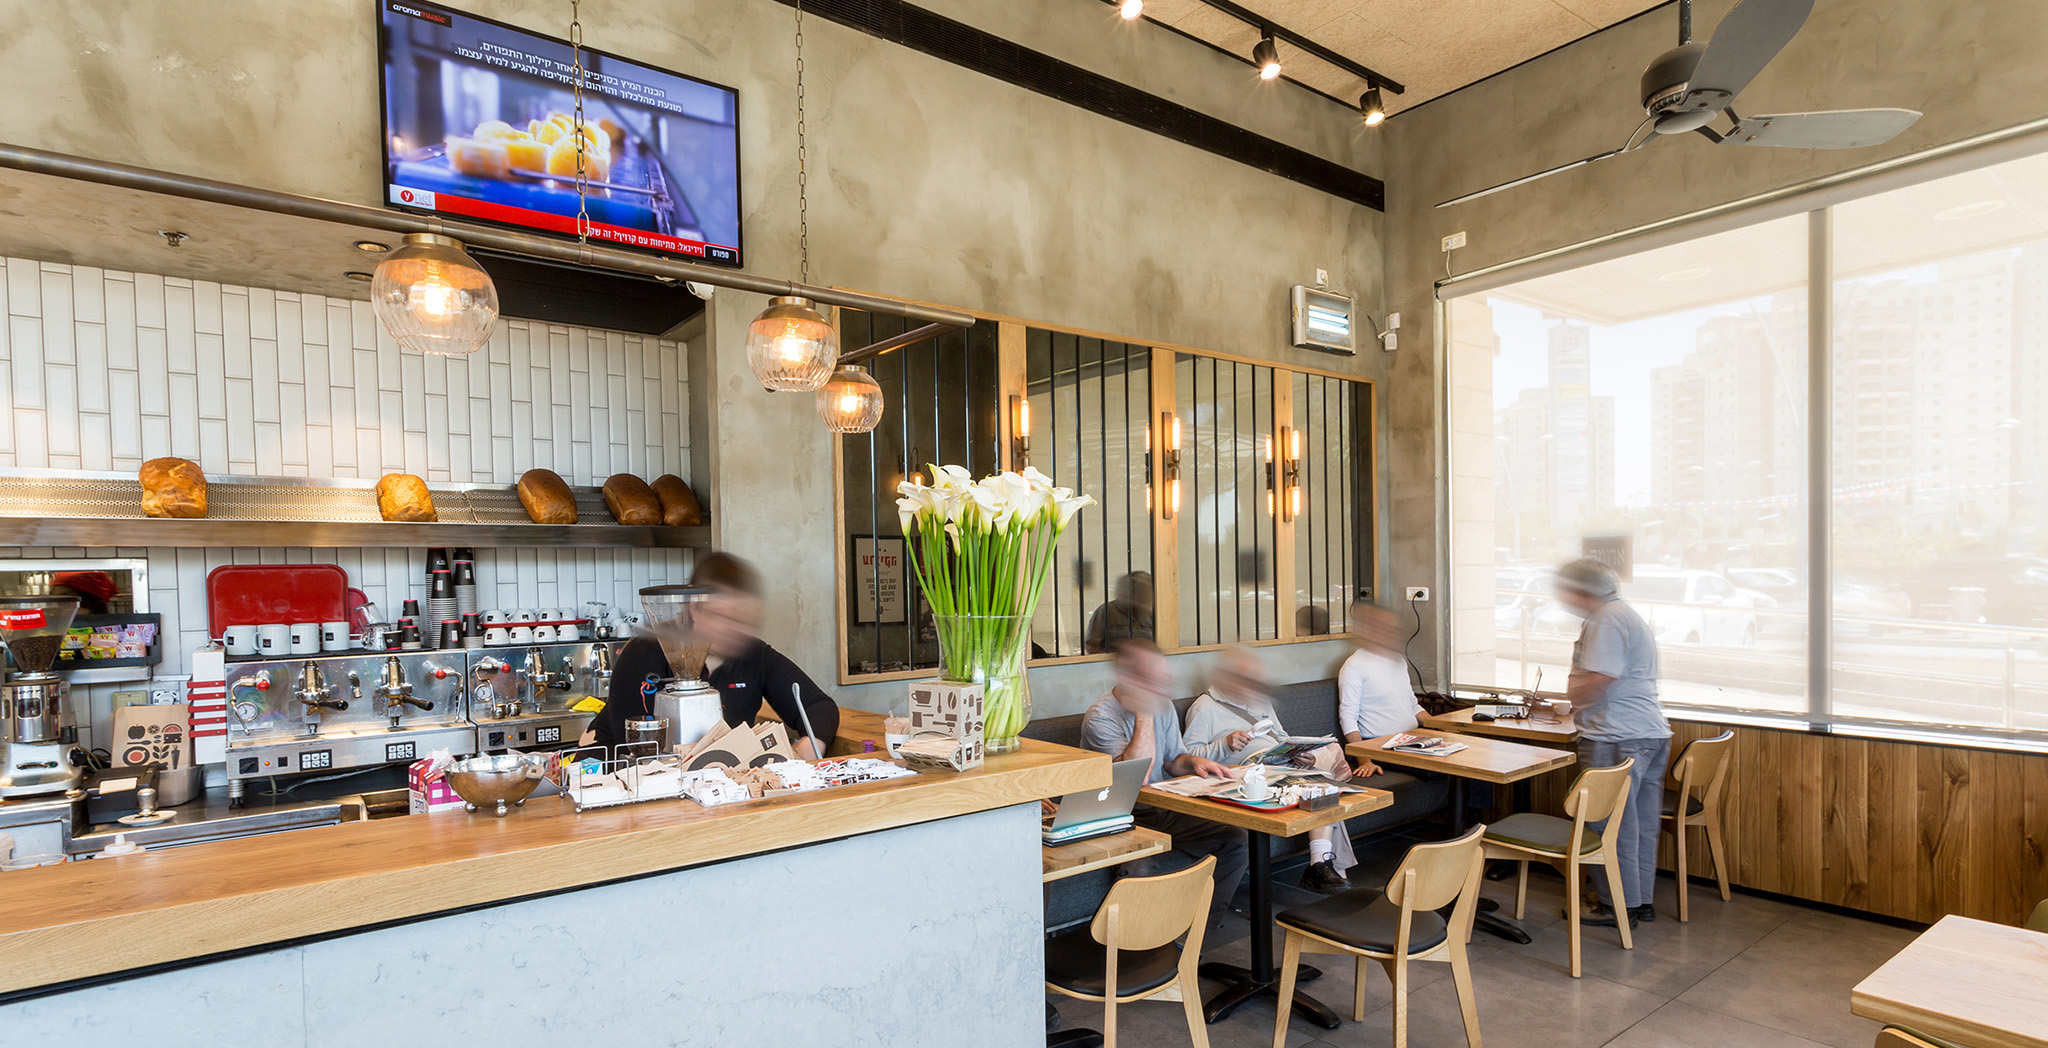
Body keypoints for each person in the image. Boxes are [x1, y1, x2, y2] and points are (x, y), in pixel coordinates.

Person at [592, 552, 840, 759]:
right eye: (728, 618)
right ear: (696, 608)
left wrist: (805, 749)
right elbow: (635, 748)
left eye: (745, 620)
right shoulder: (646, 651)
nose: (739, 631)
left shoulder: (754, 655)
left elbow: (818, 706)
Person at [1079, 638, 1246, 932]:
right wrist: (1144, 710)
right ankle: (1141, 951)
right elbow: (1137, 776)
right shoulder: (1100, 716)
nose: (1160, 685)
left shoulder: (1164, 706)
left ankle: (1191, 939)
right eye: (1151, 678)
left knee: (1235, 838)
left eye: (1162, 677)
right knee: (1141, 862)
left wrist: (1193, 763)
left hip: (1163, 808)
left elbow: (1171, 761)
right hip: (1122, 816)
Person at [1182, 646, 1374, 893]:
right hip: (1244, 777)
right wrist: (1224, 744)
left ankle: (1321, 867)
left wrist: (1298, 753)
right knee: (1321, 790)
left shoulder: (1258, 699)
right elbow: (1187, 757)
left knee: (1322, 787)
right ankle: (1324, 868)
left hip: (1280, 766)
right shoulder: (1205, 707)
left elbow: (1280, 736)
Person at [1555, 557, 1669, 929]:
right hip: (1648, 733)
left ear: (1583, 589)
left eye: (1567, 588)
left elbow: (1600, 679)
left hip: (1616, 736)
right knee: (1639, 823)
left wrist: (1573, 697)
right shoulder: (1625, 613)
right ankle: (1637, 901)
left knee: (1608, 823)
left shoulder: (1604, 619)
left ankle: (1612, 905)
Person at [1337, 602, 1429, 744]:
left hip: (1412, 739)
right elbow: (1348, 717)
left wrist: (1445, 730)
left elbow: (1413, 705)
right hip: (1381, 744)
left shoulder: (1398, 660)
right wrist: (1364, 760)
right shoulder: (1354, 666)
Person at [1084, 571, 1155, 654]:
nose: (1147, 597)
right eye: (1143, 593)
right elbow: (1091, 645)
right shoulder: (1106, 612)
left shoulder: (1149, 615)